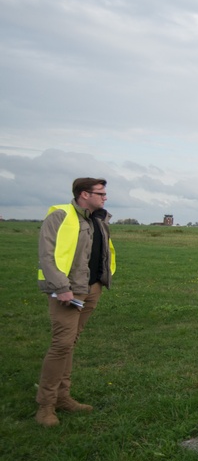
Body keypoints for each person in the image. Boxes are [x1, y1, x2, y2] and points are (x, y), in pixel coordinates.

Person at [35, 177, 116, 427]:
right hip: (67, 291)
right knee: (61, 345)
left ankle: (63, 397)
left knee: (70, 343)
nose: (105, 197)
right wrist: (61, 288)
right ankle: (45, 405)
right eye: (100, 193)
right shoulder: (60, 216)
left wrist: (101, 282)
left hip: (91, 289)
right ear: (84, 194)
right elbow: (46, 256)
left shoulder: (98, 220)